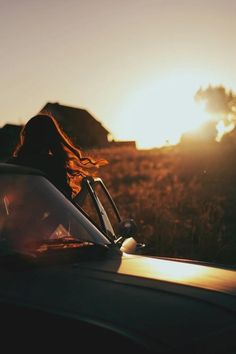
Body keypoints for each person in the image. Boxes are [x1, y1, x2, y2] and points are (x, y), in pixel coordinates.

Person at [7, 112, 108, 199]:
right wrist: (85, 190)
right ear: (53, 138)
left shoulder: (10, 165)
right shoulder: (53, 166)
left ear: (25, 136)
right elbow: (68, 212)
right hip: (45, 222)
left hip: (11, 222)